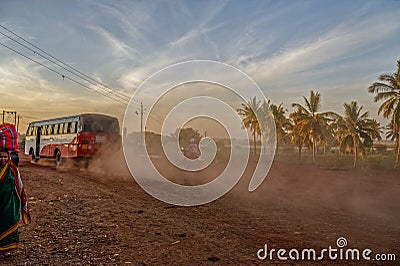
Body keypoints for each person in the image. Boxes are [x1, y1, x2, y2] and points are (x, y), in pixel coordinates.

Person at [0, 149, 31, 258]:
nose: (3, 159)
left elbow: (19, 184)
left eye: (5, 157)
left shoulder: (13, 169)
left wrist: (23, 201)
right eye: (0, 157)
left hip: (10, 202)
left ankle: (6, 249)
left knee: (9, 221)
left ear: (8, 157)